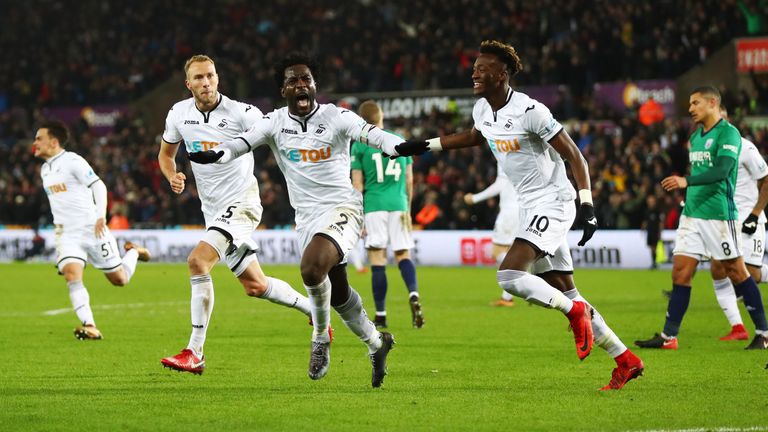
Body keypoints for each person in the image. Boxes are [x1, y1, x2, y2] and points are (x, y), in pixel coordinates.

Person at [392, 40, 644, 390]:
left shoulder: (531, 111)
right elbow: (473, 137)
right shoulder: (483, 108)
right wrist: (422, 146)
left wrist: (586, 205)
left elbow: (576, 156)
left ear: (503, 74)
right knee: (567, 291)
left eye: (482, 69)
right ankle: (625, 360)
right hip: (529, 206)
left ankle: (575, 316)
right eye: (475, 68)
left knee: (509, 276)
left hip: (553, 201)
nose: (474, 73)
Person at [188, 52, 400, 387]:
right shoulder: (274, 123)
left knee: (311, 268)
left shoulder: (335, 117)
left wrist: (401, 145)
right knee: (340, 293)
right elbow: (242, 143)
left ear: (314, 86)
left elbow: (371, 133)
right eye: (293, 80)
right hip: (307, 218)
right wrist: (218, 154)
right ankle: (377, 343)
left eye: (306, 79)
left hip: (343, 208)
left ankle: (319, 338)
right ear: (283, 90)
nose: (300, 85)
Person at [158, 55, 316, 375]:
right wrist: (171, 175)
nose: (206, 82)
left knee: (197, 261)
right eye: (199, 78)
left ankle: (195, 352)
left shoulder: (242, 113)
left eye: (211, 76)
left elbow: (276, 134)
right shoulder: (179, 114)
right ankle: (314, 309)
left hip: (242, 203)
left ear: (218, 78)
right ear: (189, 84)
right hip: (213, 210)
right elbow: (165, 154)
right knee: (255, 286)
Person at [635, 86, 768, 351]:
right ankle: (669, 336)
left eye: (695, 103)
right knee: (681, 272)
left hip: (719, 216)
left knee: (737, 271)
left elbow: (722, 170)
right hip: (692, 215)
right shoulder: (695, 137)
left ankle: (763, 333)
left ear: (712, 103)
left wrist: (686, 181)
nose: (690, 108)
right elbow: (701, 170)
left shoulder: (730, 134)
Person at [33, 120, 150, 340]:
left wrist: (100, 216)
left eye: (39, 138)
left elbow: (98, 185)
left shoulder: (73, 161)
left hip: (92, 228)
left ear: (54, 141)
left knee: (119, 279)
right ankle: (90, 325)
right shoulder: (44, 170)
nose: (35, 143)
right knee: (71, 275)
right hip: (66, 233)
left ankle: (134, 251)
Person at [351, 100, 424, 329]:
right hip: (399, 204)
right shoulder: (399, 140)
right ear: (381, 116)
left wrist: (358, 215)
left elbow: (357, 185)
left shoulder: (360, 145)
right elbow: (409, 180)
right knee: (403, 254)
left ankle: (381, 314)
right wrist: (408, 210)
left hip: (374, 206)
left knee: (378, 259)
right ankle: (413, 293)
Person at [709, 106, 768, 342]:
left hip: (748, 220)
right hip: (726, 221)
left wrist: (755, 214)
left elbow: (766, 180)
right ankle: (738, 327)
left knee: (751, 275)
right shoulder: (711, 150)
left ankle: (759, 331)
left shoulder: (745, 147)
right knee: (718, 268)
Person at [464, 163, 519, 306]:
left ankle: (524, 277)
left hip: (509, 213)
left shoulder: (504, 151)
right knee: (512, 253)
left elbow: (500, 184)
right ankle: (507, 297)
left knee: (497, 253)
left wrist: (475, 198)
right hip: (522, 210)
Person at [642, 195, 664, 270]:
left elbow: (661, 222)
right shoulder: (647, 211)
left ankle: (656, 262)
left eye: (652, 201)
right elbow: (645, 221)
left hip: (655, 232)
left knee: (655, 247)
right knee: (651, 247)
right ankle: (653, 263)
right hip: (649, 231)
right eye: (649, 201)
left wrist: (660, 232)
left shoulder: (657, 211)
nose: (650, 203)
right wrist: (643, 227)